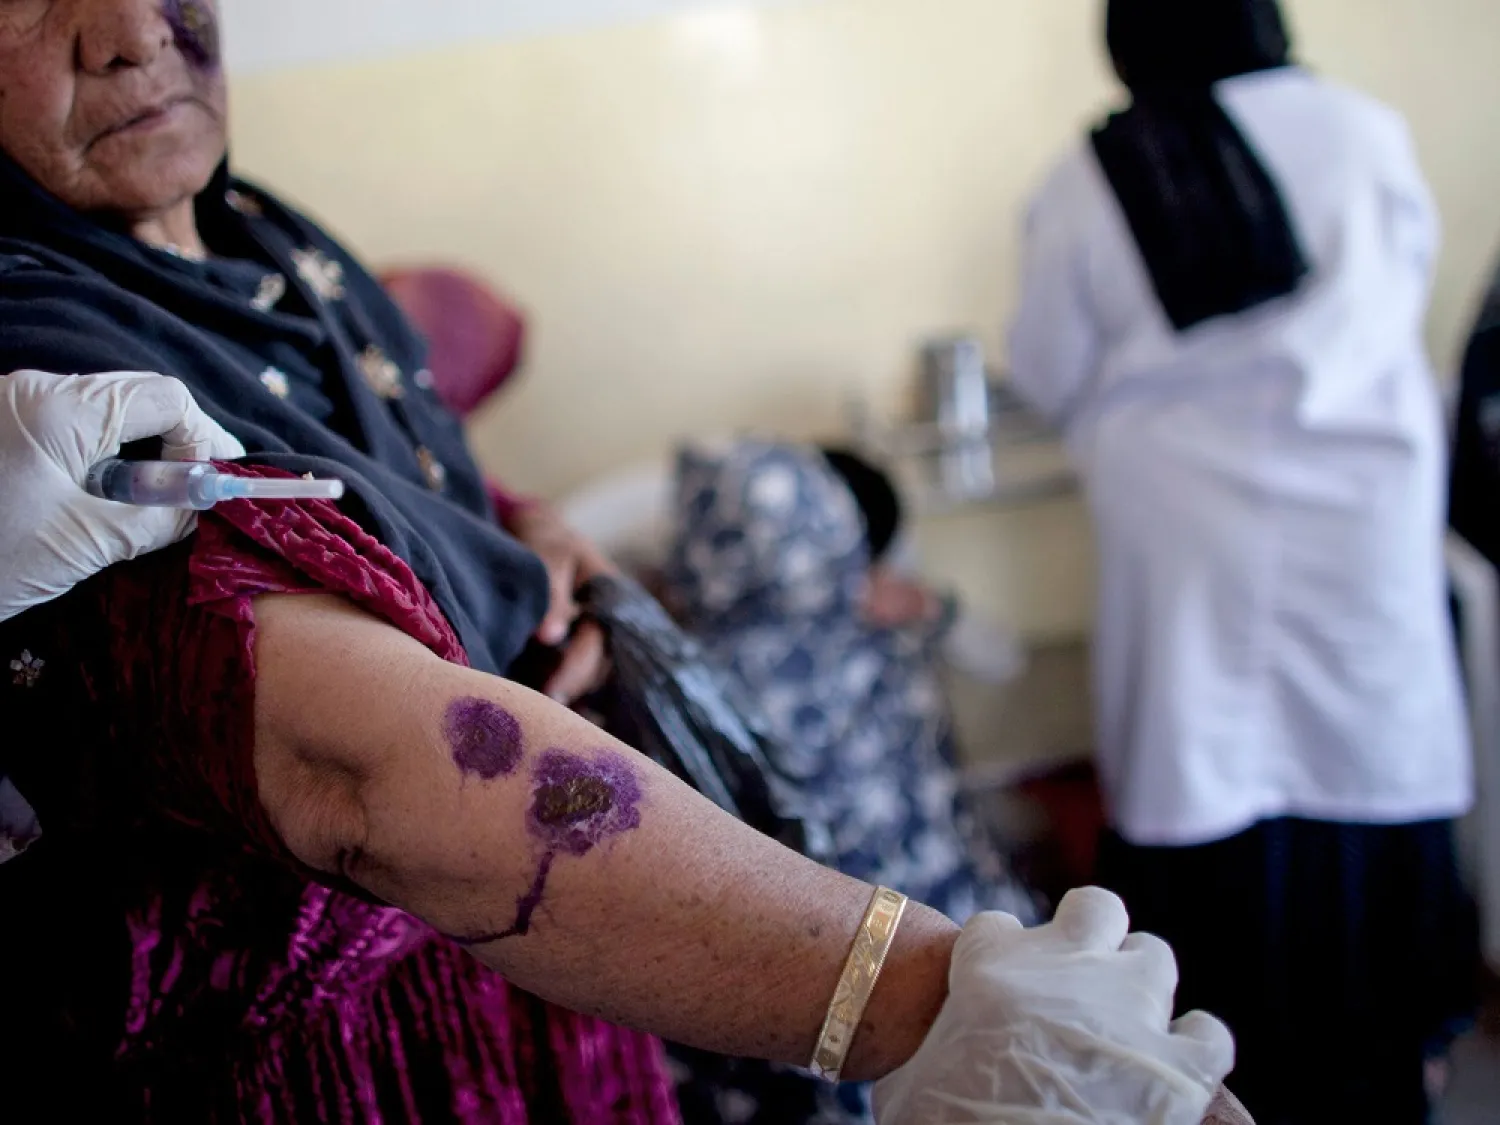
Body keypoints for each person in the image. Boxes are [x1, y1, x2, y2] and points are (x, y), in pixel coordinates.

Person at [0, 2, 1236, 1122]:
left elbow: (383, 463)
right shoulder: (47, 384)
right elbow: (362, 766)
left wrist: (517, 529)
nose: (130, 31)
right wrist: (924, 997)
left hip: (539, 993)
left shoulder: (262, 238)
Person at [1007, 1, 1477, 1121]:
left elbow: (1046, 365)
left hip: (1185, 521)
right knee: (1361, 761)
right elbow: (1404, 293)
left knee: (1201, 768)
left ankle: (1217, 1071)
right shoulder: (1364, 132)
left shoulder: (1093, 172)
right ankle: (1389, 1064)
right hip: (1359, 512)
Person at [661, 439, 1037, 1125]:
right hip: (957, 940)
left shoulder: (677, 676)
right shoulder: (880, 629)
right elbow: (1004, 659)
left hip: (807, 985)